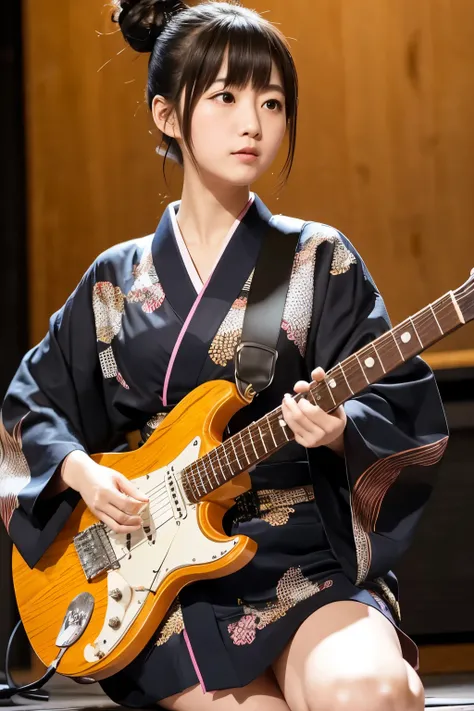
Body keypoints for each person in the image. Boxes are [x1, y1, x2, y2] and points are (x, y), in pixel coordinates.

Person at [0, 1, 449, 709]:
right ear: (167, 115)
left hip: (307, 555)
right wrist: (83, 473)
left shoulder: (319, 261)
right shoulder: (116, 284)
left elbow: (398, 400)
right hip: (163, 582)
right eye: (226, 96)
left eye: (272, 100)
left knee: (367, 690)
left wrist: (341, 430)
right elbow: (28, 410)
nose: (253, 122)